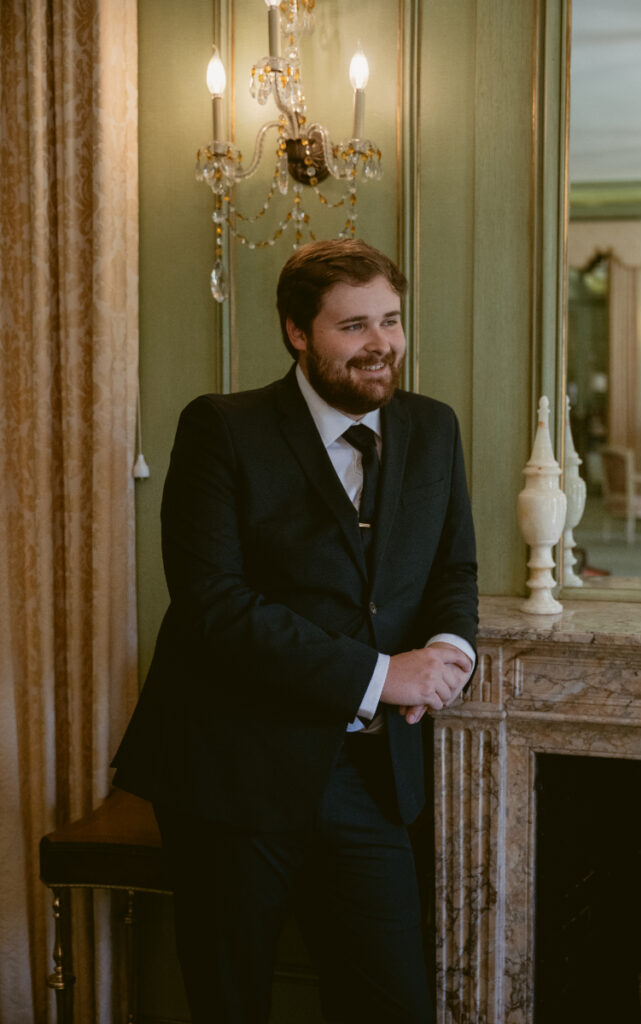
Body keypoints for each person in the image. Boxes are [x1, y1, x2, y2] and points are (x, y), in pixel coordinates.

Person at [112, 238, 478, 1024]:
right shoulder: (222, 428)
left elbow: (453, 571)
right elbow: (214, 605)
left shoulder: (433, 427)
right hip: (231, 773)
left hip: (370, 777)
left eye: (390, 320)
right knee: (230, 1005)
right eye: (353, 326)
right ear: (296, 332)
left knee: (393, 1007)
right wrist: (383, 676)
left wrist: (450, 652)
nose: (380, 343)